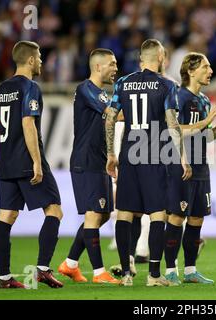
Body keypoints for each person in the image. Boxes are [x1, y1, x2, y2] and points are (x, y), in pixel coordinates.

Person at [105, 39, 192, 287]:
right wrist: (182, 158)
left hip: (129, 153)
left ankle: (125, 274)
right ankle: (154, 275)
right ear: (162, 57)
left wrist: (111, 153)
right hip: (154, 153)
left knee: (124, 212)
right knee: (157, 214)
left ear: (142, 58)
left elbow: (110, 119)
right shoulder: (167, 85)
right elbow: (173, 125)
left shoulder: (123, 82)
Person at [0, 40, 63, 289]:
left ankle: (4, 277)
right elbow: (27, 123)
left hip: (7, 162)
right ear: (31, 60)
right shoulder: (30, 87)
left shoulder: (1, 89)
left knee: (6, 215)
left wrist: (2, 162)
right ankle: (43, 269)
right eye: (40, 56)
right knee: (54, 210)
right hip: (26, 160)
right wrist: (36, 162)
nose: (42, 61)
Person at [164, 52, 216, 286]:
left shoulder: (205, 101)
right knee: (176, 218)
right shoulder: (178, 96)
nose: (210, 71)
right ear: (191, 70)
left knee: (196, 219)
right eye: (206, 67)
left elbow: (206, 136)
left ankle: (190, 270)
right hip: (180, 165)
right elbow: (175, 130)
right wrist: (206, 122)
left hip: (201, 168)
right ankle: (169, 272)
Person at [57, 48, 120, 285]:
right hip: (86, 161)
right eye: (112, 64)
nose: (116, 68)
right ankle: (99, 273)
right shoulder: (87, 89)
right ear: (97, 66)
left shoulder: (100, 93)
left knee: (102, 215)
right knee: (94, 215)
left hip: (100, 160)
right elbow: (115, 114)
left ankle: (71, 263)